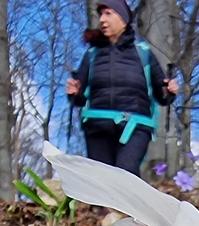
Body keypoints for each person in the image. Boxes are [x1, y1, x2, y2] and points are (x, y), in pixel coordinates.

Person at [65, 0, 178, 175]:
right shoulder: (92, 55)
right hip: (98, 125)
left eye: (108, 14)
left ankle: (133, 202)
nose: (102, 19)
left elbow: (161, 94)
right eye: (101, 14)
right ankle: (100, 204)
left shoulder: (143, 53)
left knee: (126, 173)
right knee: (102, 181)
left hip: (135, 126)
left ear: (124, 20)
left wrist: (168, 91)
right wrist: (74, 92)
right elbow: (80, 97)